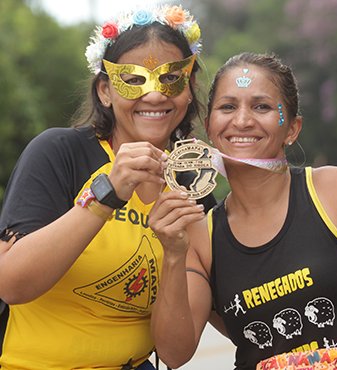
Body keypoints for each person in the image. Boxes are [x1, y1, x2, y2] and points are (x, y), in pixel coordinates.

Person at [0, 4, 216, 370]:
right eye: (133, 80)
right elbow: (12, 284)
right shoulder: (59, 153)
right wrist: (106, 195)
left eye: (170, 79)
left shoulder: (192, 186)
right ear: (105, 91)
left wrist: (176, 255)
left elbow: (176, 354)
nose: (155, 96)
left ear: (189, 90)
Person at [149, 52, 337, 369]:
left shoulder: (336, 191)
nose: (241, 120)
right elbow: (173, 353)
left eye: (261, 107)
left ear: (292, 129)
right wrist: (172, 253)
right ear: (210, 128)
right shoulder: (200, 236)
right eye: (227, 107)